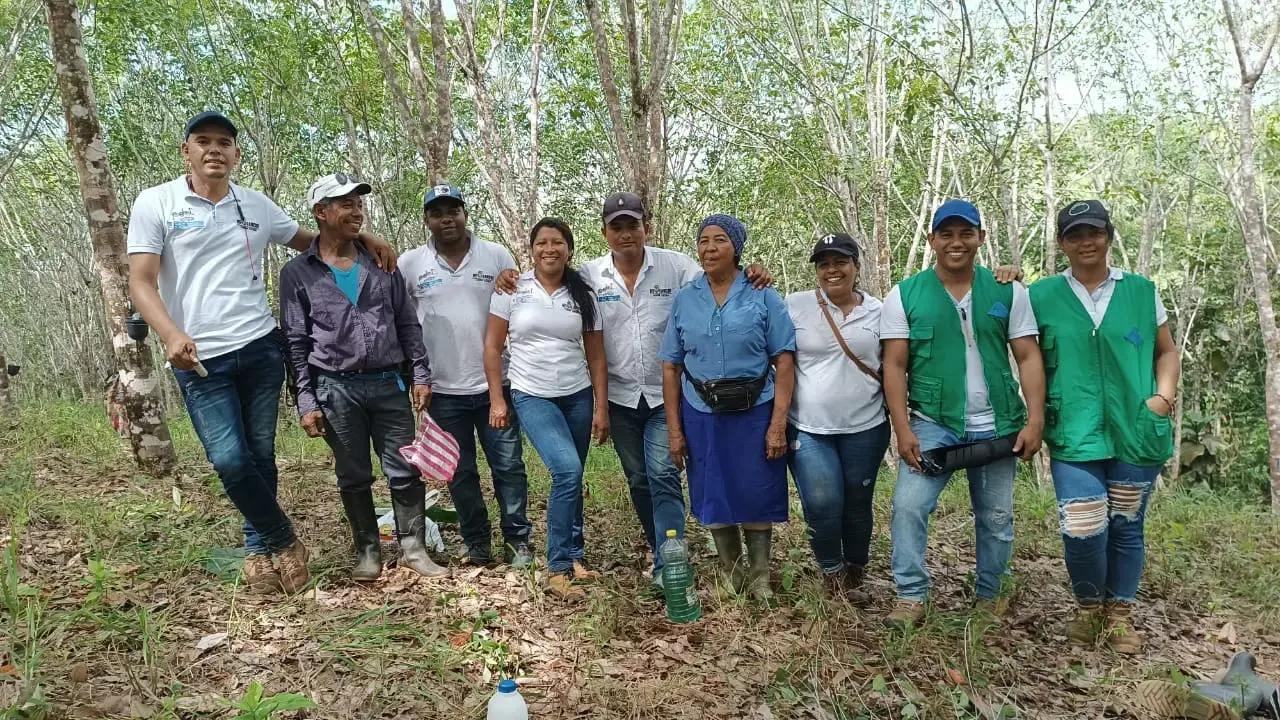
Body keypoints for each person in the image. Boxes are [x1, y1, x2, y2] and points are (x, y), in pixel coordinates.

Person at [127, 112, 396, 595]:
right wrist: (169, 333)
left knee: (261, 455)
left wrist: (363, 236)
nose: (215, 150)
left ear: (236, 154)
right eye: (204, 141)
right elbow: (140, 282)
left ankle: (257, 550)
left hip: (259, 346)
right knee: (229, 459)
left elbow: (312, 240)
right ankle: (282, 539)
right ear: (185, 150)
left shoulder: (254, 205)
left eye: (225, 143)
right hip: (196, 354)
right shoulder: (156, 203)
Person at [880, 198, 1045, 628]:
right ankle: (912, 595)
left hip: (998, 423)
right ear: (932, 240)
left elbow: (1027, 357)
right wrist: (903, 429)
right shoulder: (906, 294)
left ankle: (991, 595)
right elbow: (894, 366)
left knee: (996, 516)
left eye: (966, 233)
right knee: (908, 506)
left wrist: (1035, 421)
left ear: (980, 239)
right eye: (947, 234)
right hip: (934, 422)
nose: (957, 242)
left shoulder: (1008, 290)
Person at [278, 174, 447, 582]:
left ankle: (413, 548)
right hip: (335, 388)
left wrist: (420, 373)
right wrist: (305, 400)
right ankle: (368, 550)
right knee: (352, 473)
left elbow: (407, 323)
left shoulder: (382, 263)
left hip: (390, 383)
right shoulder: (297, 274)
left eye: (358, 204)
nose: (356, 211)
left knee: (404, 468)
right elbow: (296, 343)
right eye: (345, 204)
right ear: (321, 213)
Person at [1030, 200, 1179, 655]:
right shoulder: (1041, 296)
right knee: (1081, 524)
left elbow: (1166, 351)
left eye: (1094, 232)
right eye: (1075, 235)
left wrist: (1163, 397)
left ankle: (1120, 616)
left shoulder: (1140, 290)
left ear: (1109, 236)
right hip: (1074, 429)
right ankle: (1088, 608)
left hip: (1136, 428)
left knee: (1126, 523)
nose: (1086, 242)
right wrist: (1006, 275)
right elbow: (1016, 346)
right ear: (1061, 244)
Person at [660, 213, 796, 601]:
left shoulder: (762, 294)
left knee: (757, 489)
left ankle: (760, 576)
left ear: (737, 247)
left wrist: (778, 424)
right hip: (701, 411)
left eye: (720, 240)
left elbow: (784, 359)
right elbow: (671, 366)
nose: (709, 248)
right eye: (703, 240)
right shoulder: (687, 299)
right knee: (713, 490)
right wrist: (675, 430)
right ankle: (731, 573)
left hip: (757, 409)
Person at [397, 185, 533, 568]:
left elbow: (518, 309)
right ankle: (477, 543)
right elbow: (404, 321)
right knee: (459, 472)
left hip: (495, 386)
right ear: (427, 219)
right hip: (441, 389)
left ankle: (517, 541)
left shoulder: (495, 255)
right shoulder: (411, 264)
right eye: (437, 212)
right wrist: (413, 375)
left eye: (453, 210)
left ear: (465, 213)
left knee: (508, 466)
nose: (446, 219)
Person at [484, 218, 609, 598]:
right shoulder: (512, 288)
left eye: (557, 242)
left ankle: (574, 556)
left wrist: (601, 406)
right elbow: (492, 347)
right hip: (532, 394)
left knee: (575, 475)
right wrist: (497, 398)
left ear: (569, 249)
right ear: (532, 248)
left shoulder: (583, 293)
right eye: (542, 243)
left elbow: (597, 356)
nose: (549, 249)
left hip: (577, 395)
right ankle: (556, 569)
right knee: (567, 472)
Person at [784, 233, 890, 603]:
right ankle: (831, 571)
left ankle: (856, 572)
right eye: (824, 264)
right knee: (823, 503)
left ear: (856, 267)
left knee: (858, 504)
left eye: (841, 262)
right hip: (810, 427)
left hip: (867, 427)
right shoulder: (795, 305)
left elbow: (895, 365)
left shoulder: (880, 310)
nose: (832, 270)